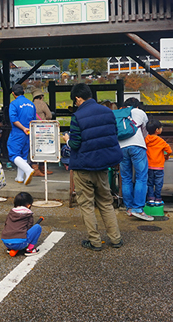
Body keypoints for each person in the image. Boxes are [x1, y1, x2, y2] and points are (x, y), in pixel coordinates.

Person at [63, 83, 124, 251]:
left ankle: (95, 241)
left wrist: (67, 139)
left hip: (83, 166)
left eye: (74, 101)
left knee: (87, 205)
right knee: (106, 202)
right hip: (102, 166)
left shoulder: (78, 116)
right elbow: (114, 135)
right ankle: (116, 238)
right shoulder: (108, 112)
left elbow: (75, 143)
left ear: (77, 98)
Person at [117, 98, 153, 221]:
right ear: (136, 106)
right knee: (141, 177)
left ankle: (129, 208)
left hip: (121, 147)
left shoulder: (118, 113)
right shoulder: (139, 112)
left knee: (126, 178)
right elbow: (145, 131)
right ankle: (138, 208)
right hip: (137, 146)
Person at [7, 84, 36, 185]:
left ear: (13, 93)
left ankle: (28, 170)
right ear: (23, 91)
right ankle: (20, 177)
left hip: (18, 132)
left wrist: (23, 128)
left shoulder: (14, 104)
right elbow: (34, 120)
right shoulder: (31, 104)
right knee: (23, 155)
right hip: (29, 133)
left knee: (13, 154)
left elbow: (14, 119)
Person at [1, 192, 42, 256]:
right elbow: (29, 228)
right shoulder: (28, 214)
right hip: (20, 244)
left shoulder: (11, 213)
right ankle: (29, 249)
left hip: (6, 242)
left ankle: (10, 248)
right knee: (37, 227)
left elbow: (6, 224)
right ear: (28, 205)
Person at [145, 119, 172, 207]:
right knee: (158, 183)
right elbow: (169, 150)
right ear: (157, 130)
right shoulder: (160, 141)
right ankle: (158, 199)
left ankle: (150, 199)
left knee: (149, 183)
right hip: (159, 166)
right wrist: (167, 156)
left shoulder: (146, 139)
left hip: (149, 166)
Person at [30, 87, 52, 176]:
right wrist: (45, 121)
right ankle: (43, 168)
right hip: (43, 129)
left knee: (34, 148)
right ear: (41, 96)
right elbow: (49, 115)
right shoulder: (43, 104)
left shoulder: (31, 104)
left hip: (33, 128)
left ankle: (35, 168)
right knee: (44, 147)